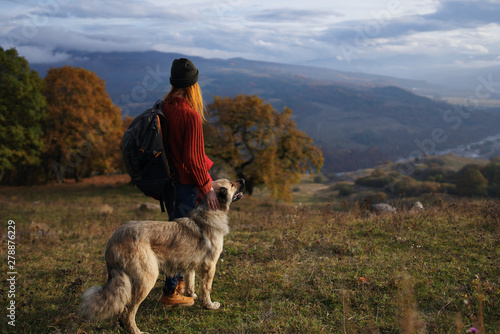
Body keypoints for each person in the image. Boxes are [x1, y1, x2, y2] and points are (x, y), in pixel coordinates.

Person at [159, 58, 220, 307]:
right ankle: (170, 293)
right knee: (180, 241)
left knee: (176, 234)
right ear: (193, 85)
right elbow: (194, 160)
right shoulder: (190, 115)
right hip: (186, 185)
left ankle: (180, 285)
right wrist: (208, 189)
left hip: (170, 183)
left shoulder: (165, 106)